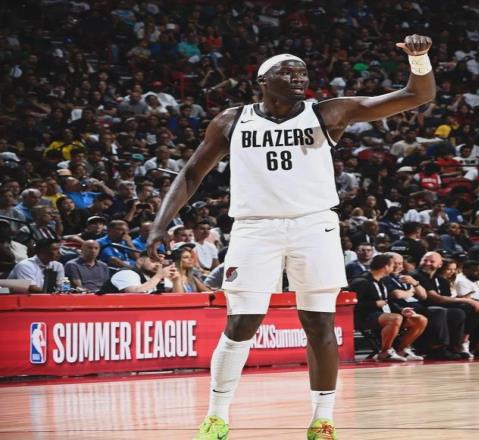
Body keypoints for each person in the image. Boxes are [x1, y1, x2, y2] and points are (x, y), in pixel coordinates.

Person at [147, 35, 436, 440]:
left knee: (319, 323)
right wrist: (160, 224)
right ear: (263, 81)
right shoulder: (232, 120)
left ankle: (322, 419)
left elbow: (416, 95)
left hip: (313, 226)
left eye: (302, 72)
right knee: (241, 322)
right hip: (254, 227)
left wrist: (419, 59)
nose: (299, 77)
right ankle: (216, 416)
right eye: (288, 72)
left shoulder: (328, 112)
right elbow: (192, 172)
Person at [384, 252, 464, 360]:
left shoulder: (405, 276)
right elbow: (397, 294)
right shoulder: (387, 278)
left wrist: (415, 284)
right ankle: (436, 348)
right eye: (395, 263)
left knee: (457, 313)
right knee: (437, 311)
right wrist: (410, 292)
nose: (397, 266)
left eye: (400, 263)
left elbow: (423, 296)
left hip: (418, 306)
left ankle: (453, 347)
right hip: (402, 309)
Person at [351, 254, 428, 362]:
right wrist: (375, 304)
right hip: (364, 317)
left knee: (420, 320)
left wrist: (401, 310)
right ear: (386, 267)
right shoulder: (361, 281)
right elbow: (354, 305)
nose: (394, 268)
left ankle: (401, 350)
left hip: (383, 314)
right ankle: (385, 352)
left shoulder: (381, 280)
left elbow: (387, 301)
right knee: (395, 318)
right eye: (392, 265)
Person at [99, 251, 181, 294]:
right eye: (153, 261)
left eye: (160, 262)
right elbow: (134, 295)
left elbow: (177, 298)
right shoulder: (127, 273)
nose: (158, 265)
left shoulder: (155, 276)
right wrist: (158, 276)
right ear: (140, 260)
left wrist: (176, 281)